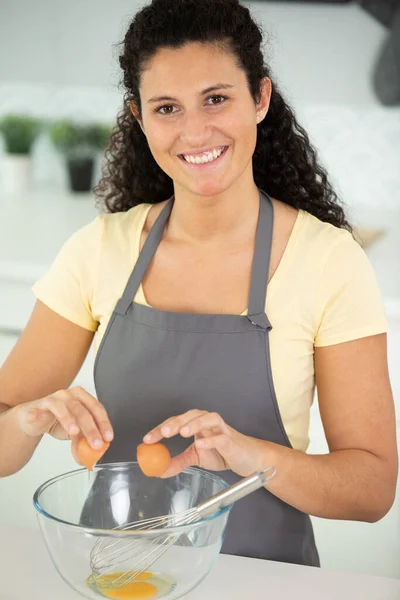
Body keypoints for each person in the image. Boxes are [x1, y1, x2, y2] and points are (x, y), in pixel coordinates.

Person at [0, 0, 397, 567]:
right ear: (139, 119)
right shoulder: (101, 249)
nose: (194, 130)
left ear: (259, 98)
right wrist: (25, 420)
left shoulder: (328, 261)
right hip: (119, 573)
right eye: (167, 107)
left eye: (216, 98)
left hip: (265, 579)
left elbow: (373, 488)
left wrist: (246, 453)